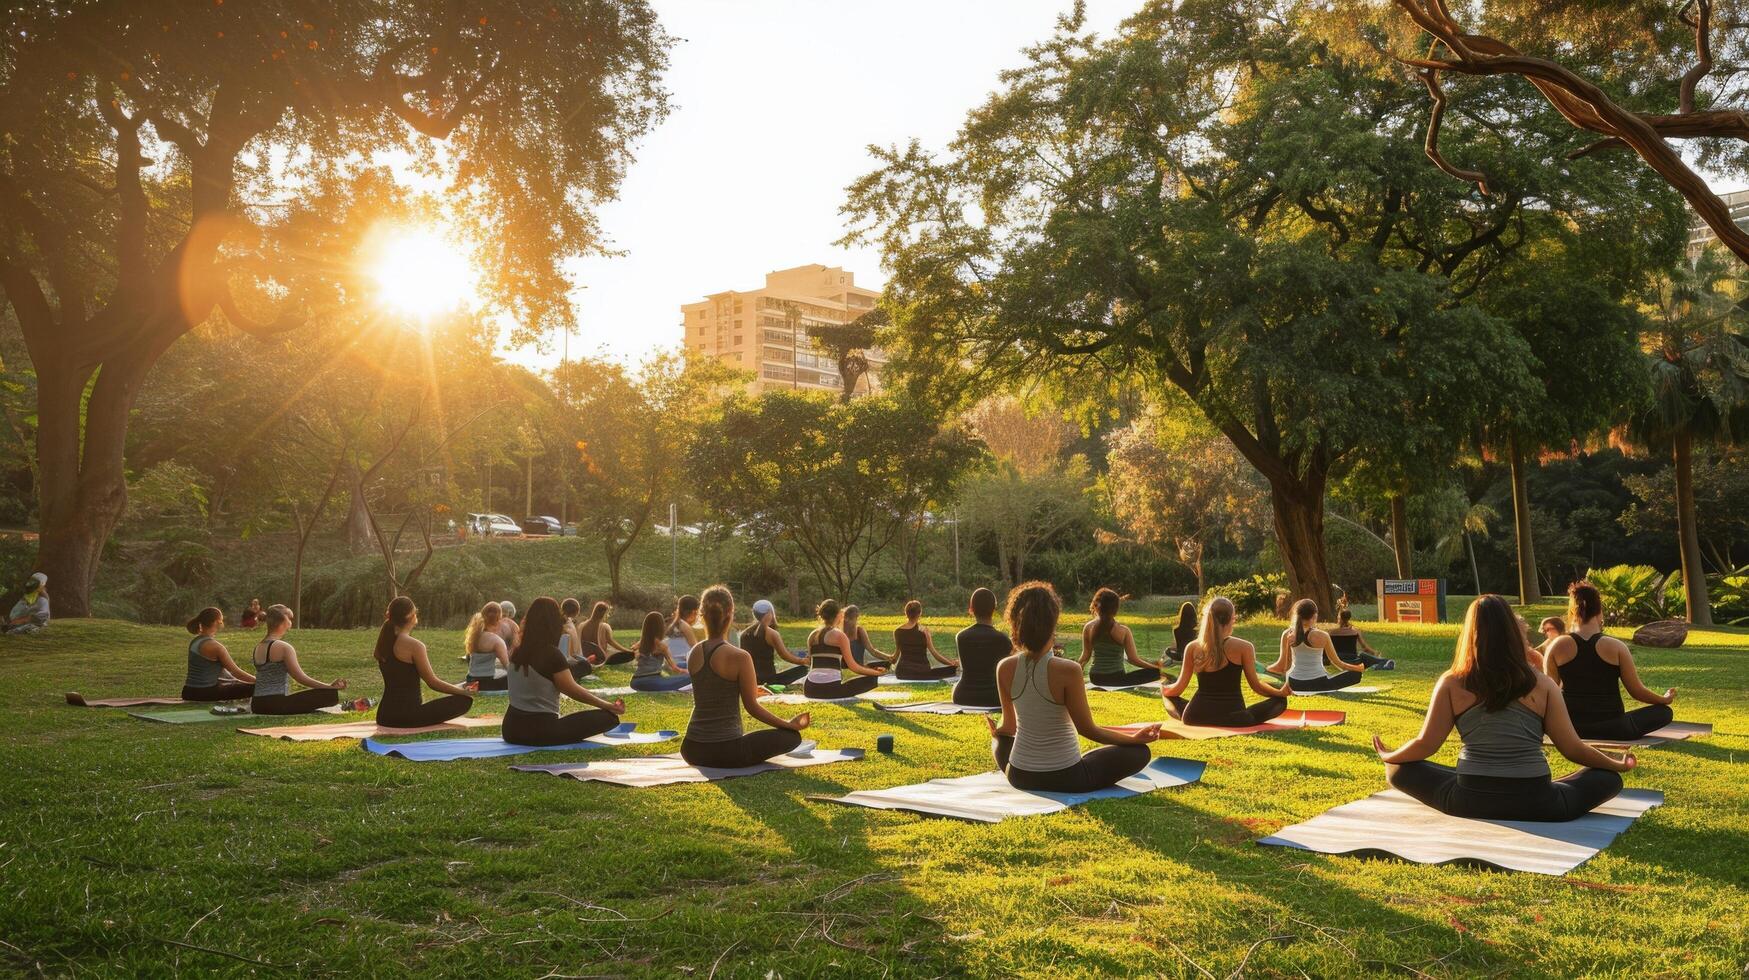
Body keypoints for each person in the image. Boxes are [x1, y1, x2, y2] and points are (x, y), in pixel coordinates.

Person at [1374, 594, 1634, 821]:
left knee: (1399, 770)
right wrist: (1616, 764)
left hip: (1468, 799)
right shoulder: (1543, 685)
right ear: (1514, 633)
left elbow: (1425, 745)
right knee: (1607, 778)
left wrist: (1390, 757)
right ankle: (1562, 785)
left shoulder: (1452, 683)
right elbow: (1572, 748)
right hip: (1539, 803)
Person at [988, 581, 1161, 791]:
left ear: (1015, 622)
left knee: (999, 741)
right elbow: (1088, 730)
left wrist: (997, 732)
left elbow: (1009, 727)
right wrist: (1132, 739)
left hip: (1019, 775)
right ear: (1053, 622)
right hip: (1068, 777)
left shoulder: (1003, 667)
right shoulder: (1068, 670)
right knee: (1140, 752)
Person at [680, 585, 814, 768]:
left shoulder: (694, 652)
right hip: (726, 751)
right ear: (730, 613)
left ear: (702, 615)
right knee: (791, 737)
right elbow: (752, 707)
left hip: (691, 749)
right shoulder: (740, 657)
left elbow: (712, 691)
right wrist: (788, 724)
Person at [1545, 582, 1675, 742]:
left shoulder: (1556, 646)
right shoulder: (1616, 647)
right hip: (1615, 728)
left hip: (1572, 728)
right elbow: (1636, 691)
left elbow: (1549, 693)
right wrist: (1664, 699)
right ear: (1600, 612)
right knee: (1664, 712)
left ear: (1572, 611)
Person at [504, 596, 626, 746]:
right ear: (553, 623)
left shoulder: (516, 651)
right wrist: (607, 706)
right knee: (609, 718)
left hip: (510, 730)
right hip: (540, 731)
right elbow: (573, 690)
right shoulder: (551, 654)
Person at [1161, 596, 1291, 726]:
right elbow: (1256, 686)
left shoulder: (1193, 647)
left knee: (1168, 697)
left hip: (1194, 716)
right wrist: (1279, 693)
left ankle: (1196, 714)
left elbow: (1178, 688)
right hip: (1234, 717)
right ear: (1230, 619)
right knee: (1280, 702)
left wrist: (1164, 690)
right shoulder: (1244, 647)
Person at [374, 596, 474, 728]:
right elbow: (432, 682)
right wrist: (463, 692)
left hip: (384, 715)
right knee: (465, 701)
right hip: (407, 716)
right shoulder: (415, 645)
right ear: (412, 616)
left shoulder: (384, 641)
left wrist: (459, 688)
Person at [249, 604, 347, 715]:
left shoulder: (258, 647)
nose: (291, 622)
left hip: (257, 705)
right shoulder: (284, 647)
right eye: (290, 618)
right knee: (330, 695)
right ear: (284, 621)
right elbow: (300, 678)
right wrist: (329, 687)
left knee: (326, 692)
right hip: (275, 704)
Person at [1265, 599, 1366, 692]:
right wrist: (1358, 668)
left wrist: (1266, 669)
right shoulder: (1323, 635)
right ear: (1314, 616)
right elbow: (1338, 664)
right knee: (1356, 675)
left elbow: (1284, 666)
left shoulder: (1287, 634)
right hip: (1319, 683)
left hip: (1294, 683)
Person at [1077, 588, 1162, 688]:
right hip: (1117, 678)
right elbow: (1133, 660)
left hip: (1095, 678)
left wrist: (1075, 672)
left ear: (1096, 605)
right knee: (1156, 673)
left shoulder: (1088, 627)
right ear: (1115, 609)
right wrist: (1156, 668)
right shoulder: (1124, 631)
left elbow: (1085, 656)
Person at [804, 599, 887, 699]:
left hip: (809, 689)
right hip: (830, 689)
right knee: (871, 680)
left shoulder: (812, 635)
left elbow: (809, 662)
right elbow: (854, 667)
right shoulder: (839, 636)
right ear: (839, 614)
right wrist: (877, 673)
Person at [181, 607, 256, 701]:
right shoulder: (216, 647)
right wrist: (259, 681)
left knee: (240, 685)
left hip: (188, 691)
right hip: (206, 693)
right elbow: (236, 672)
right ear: (217, 622)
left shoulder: (195, 642)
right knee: (256, 688)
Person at [952, 588, 1009, 708]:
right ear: (994, 609)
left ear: (971, 609)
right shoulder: (1003, 639)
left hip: (963, 695)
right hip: (993, 697)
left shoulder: (961, 637)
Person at [740, 599, 809, 686]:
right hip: (769, 681)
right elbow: (786, 656)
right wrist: (804, 661)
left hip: (750, 680)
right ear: (769, 613)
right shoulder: (771, 634)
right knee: (805, 669)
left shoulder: (744, 634)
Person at [892, 600, 959, 680]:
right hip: (921, 672)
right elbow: (934, 653)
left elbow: (895, 657)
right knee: (951, 670)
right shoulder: (924, 631)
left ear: (906, 613)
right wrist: (952, 663)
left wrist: (883, 659)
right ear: (920, 613)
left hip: (902, 672)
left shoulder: (897, 631)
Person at [630, 611, 695, 692]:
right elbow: (675, 669)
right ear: (660, 627)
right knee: (693, 677)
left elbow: (631, 652)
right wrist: (691, 672)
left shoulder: (640, 643)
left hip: (635, 682)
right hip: (651, 682)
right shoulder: (661, 646)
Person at [462, 602, 511, 691]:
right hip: (487, 683)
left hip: (471, 679)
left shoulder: (473, 636)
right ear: (498, 619)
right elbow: (508, 667)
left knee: (500, 672)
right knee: (509, 675)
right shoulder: (497, 641)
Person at [1328, 609, 1395, 670]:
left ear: (1339, 618)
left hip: (1338, 661)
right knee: (1363, 655)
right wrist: (1375, 653)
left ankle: (1376, 665)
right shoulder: (1355, 631)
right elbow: (1365, 647)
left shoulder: (1332, 633)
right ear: (1349, 618)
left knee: (1361, 656)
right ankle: (1379, 664)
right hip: (1354, 661)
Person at [579, 601, 635, 666]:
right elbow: (611, 642)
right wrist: (626, 650)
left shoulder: (582, 625)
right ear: (604, 613)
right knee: (629, 655)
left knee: (611, 651)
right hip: (600, 657)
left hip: (586, 655)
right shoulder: (604, 626)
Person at [666, 595, 701, 669]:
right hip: (681, 664)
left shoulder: (674, 623)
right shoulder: (684, 626)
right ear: (693, 612)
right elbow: (696, 649)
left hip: (672, 663)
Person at [1166, 600, 1197, 665]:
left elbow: (1177, 647)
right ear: (1194, 615)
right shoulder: (1198, 630)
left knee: (1167, 651)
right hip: (1193, 656)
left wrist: (1169, 650)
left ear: (1182, 614)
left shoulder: (1176, 630)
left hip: (1180, 656)